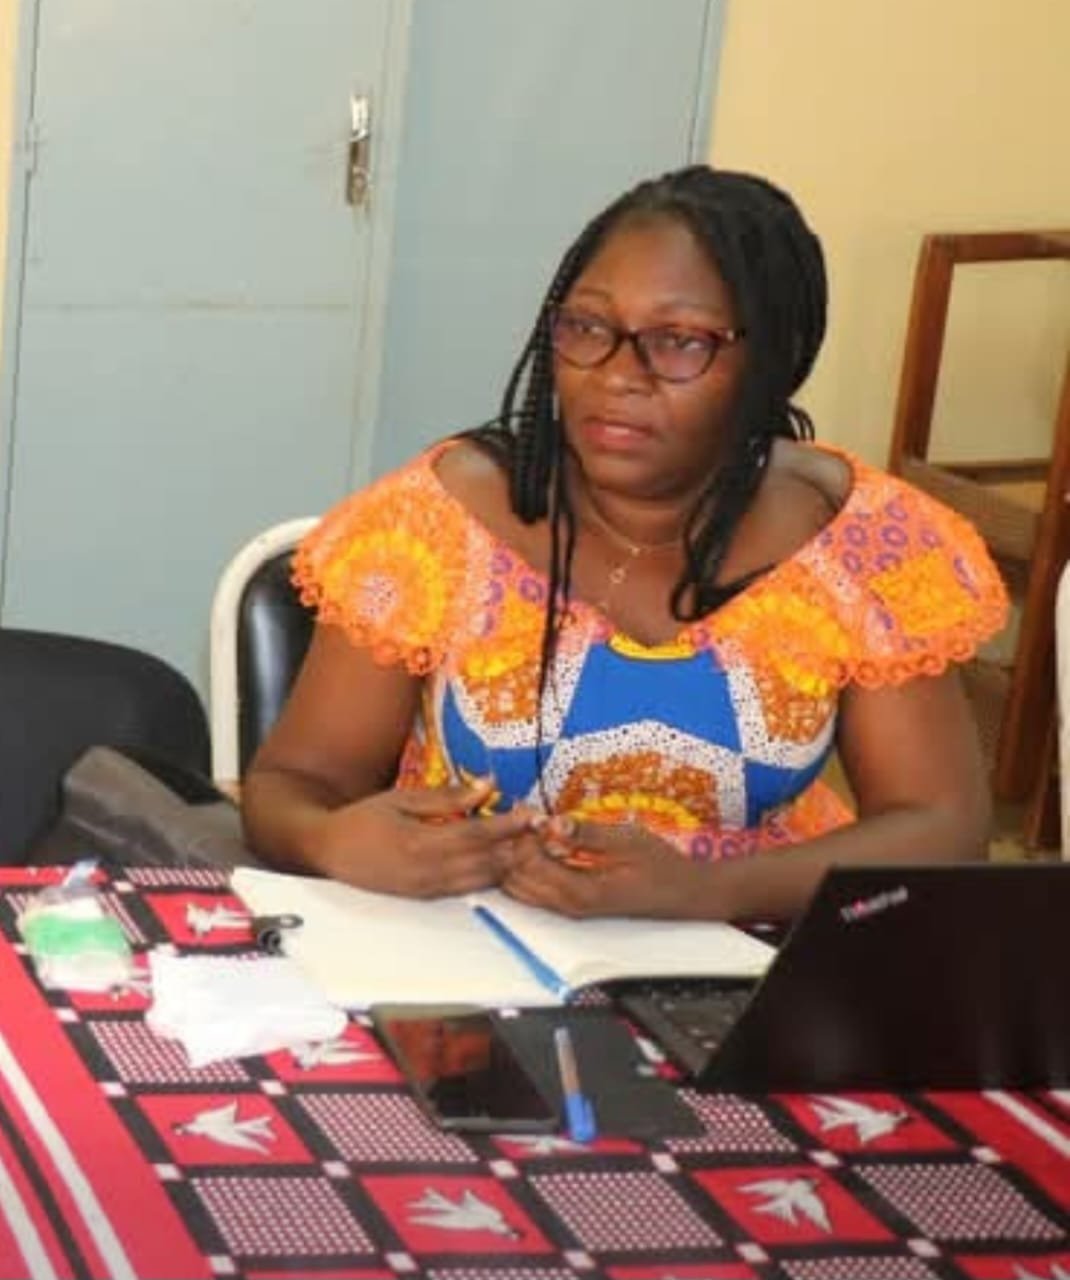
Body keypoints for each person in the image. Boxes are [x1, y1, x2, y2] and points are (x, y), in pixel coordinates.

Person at [241, 165, 1008, 921]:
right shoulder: (435, 524)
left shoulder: (862, 543)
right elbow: (294, 783)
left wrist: (706, 891)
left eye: (678, 341)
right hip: (466, 946)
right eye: (588, 327)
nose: (617, 375)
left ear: (770, 359)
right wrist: (332, 840)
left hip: (751, 948)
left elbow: (942, 828)